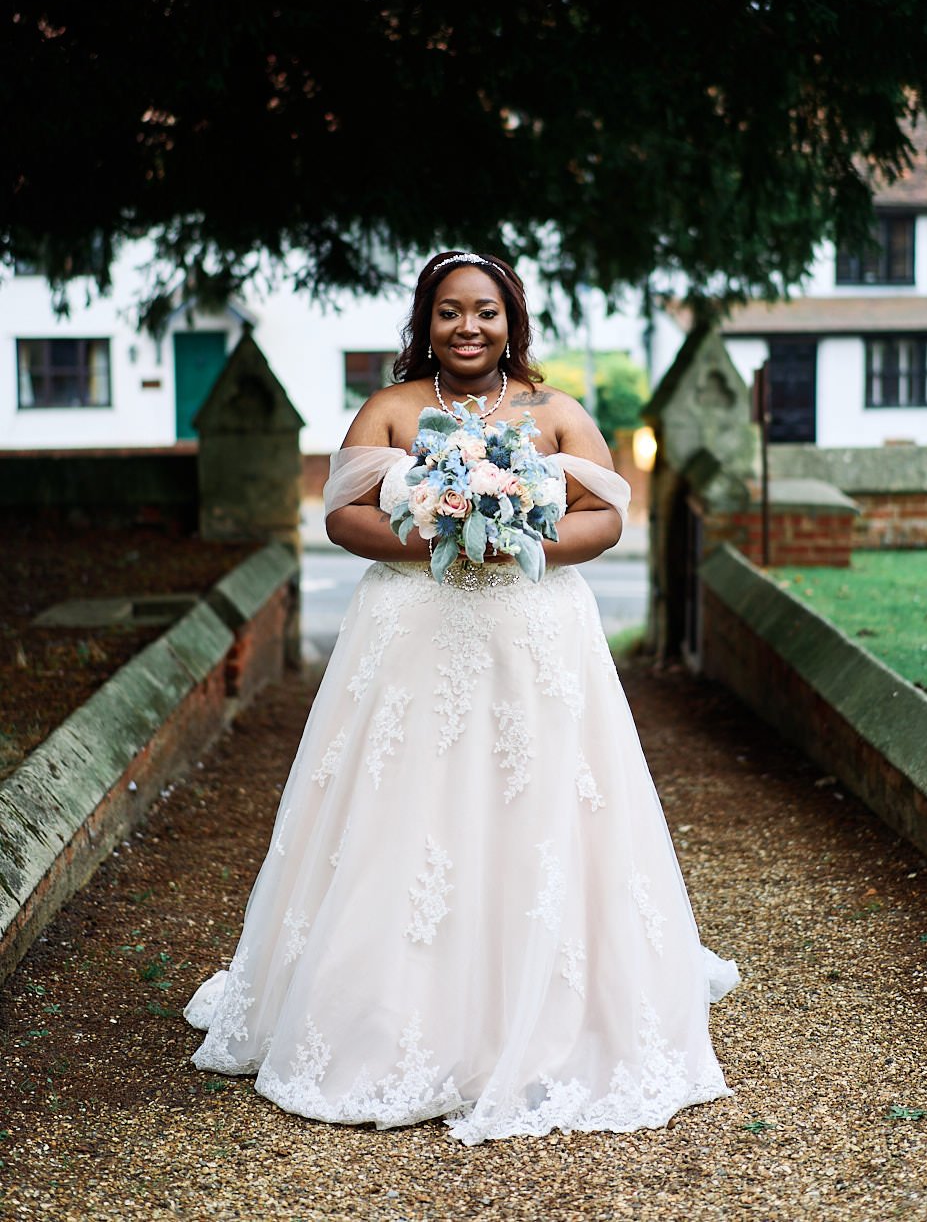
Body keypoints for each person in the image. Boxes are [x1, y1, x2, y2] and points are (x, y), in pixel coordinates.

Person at [184, 250, 738, 1145]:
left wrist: (521, 542)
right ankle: (387, 1012)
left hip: (536, 636)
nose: (468, 328)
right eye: (449, 313)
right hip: (414, 635)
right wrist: (437, 533)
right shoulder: (394, 408)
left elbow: (607, 517)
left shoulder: (558, 413)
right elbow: (343, 515)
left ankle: (551, 1007)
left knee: (542, 801)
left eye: (484, 311)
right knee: (408, 808)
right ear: (425, 322)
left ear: (512, 320)